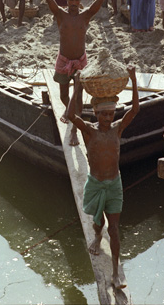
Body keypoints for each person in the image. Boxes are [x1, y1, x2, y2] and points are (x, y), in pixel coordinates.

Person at [67, 66, 139, 290]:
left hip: (114, 184)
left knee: (114, 228)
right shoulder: (89, 131)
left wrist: (134, 80)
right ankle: (97, 237)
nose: (108, 118)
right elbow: (71, 116)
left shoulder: (117, 129)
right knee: (98, 224)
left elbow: (135, 109)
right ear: (96, 114)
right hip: (97, 184)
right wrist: (77, 85)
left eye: (111, 114)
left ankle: (116, 272)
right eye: (104, 114)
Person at [45, 0, 105, 145]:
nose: (73, 3)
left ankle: (73, 127)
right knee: (63, 94)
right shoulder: (60, 16)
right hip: (63, 61)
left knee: (78, 95)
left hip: (80, 62)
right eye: (71, 0)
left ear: (81, 0)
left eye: (77, 0)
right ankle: (68, 110)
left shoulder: (85, 16)